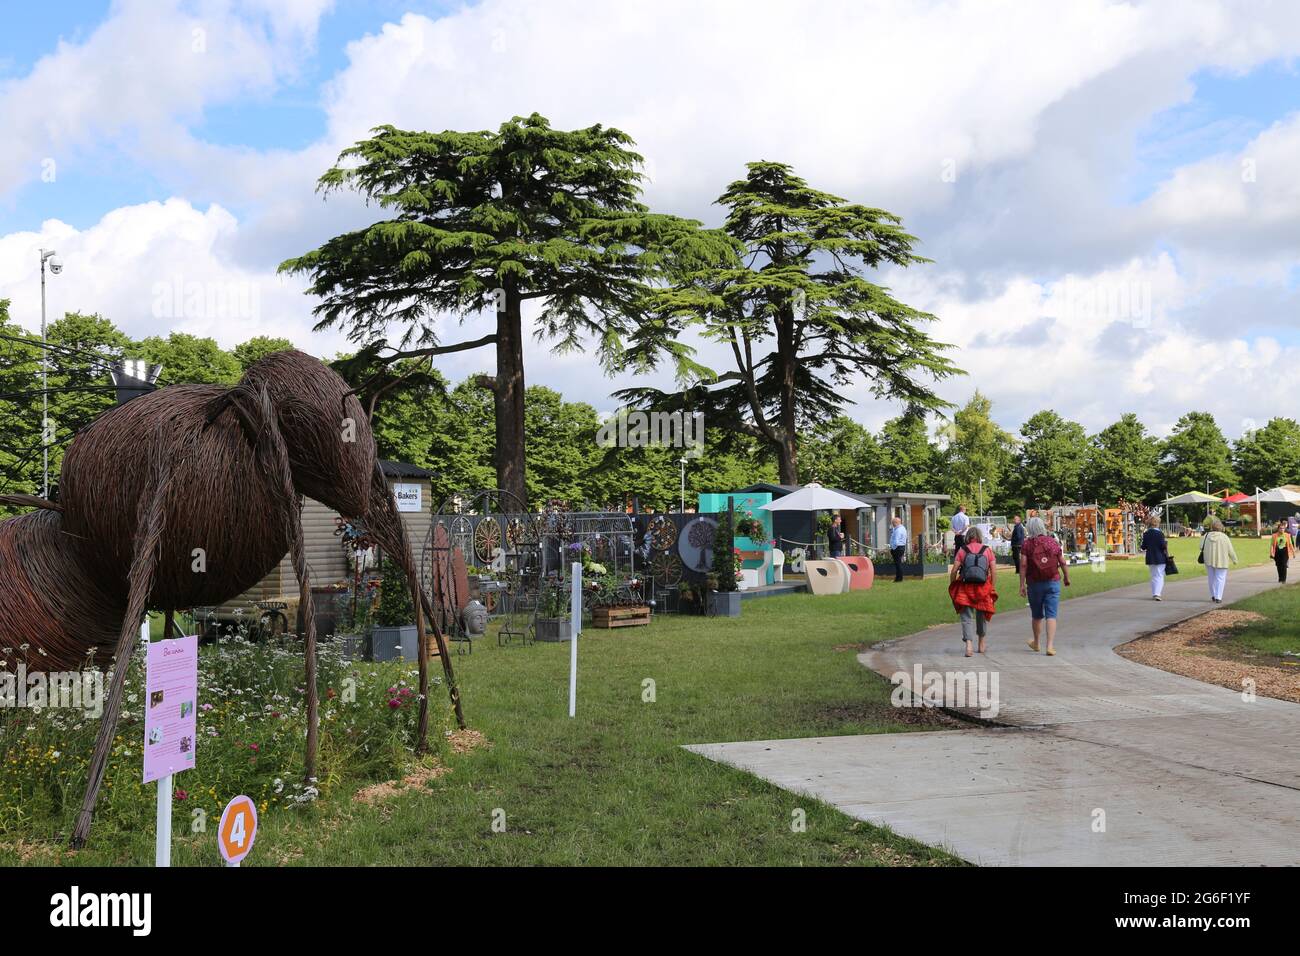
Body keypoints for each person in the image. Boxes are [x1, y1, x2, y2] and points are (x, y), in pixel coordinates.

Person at [1019, 516, 1070, 656]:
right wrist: (1066, 577)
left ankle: (1036, 643)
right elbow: (1062, 561)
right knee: (1051, 615)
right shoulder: (1052, 542)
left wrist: (1021, 584)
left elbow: (1023, 564)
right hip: (1052, 581)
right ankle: (1050, 646)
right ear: (1042, 527)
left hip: (1034, 583)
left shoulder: (1027, 544)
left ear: (1029, 528)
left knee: (1036, 616)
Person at [948, 526, 997, 658]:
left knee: (966, 617)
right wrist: (991, 587)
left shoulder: (962, 550)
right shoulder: (987, 550)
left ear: (967, 537)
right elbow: (993, 571)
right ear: (979, 537)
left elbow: (954, 570)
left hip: (965, 587)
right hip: (983, 587)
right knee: (981, 614)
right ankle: (981, 643)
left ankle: (968, 645)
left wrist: (953, 583)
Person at [1200, 518, 1238, 603]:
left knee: (1211, 578)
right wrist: (1234, 559)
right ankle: (1218, 597)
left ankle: (1213, 595)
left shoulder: (1206, 536)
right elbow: (1230, 550)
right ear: (1221, 528)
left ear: (1212, 527)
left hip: (1209, 559)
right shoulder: (1224, 537)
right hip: (1222, 560)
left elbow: (1200, 547)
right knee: (1220, 578)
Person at [1140, 514, 1169, 600]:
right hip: (1160, 557)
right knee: (1159, 575)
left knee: (1153, 575)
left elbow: (1143, 547)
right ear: (1158, 523)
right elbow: (1163, 546)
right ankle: (1157, 593)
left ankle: (1154, 593)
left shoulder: (1146, 533)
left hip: (1150, 557)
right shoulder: (1160, 534)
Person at [889, 515, 908, 582]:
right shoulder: (903, 528)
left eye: (893, 523)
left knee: (898, 564)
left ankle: (899, 578)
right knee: (898, 563)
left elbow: (896, 542)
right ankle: (898, 578)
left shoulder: (898, 530)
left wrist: (892, 548)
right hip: (901, 547)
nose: (892, 524)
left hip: (897, 548)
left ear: (896, 523)